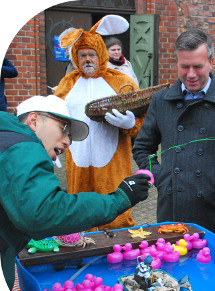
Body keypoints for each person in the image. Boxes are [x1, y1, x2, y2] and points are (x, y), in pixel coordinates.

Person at [0, 95, 150, 291]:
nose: (67, 142)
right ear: (34, 121)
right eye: (64, 129)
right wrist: (120, 198)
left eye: (69, 135)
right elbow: (42, 213)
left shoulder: (8, 140)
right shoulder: (23, 146)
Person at [132, 28, 215, 244]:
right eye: (184, 66)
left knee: (210, 273)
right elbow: (142, 148)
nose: (191, 74)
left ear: (211, 62)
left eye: (198, 66)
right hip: (171, 212)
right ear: (177, 63)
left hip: (214, 213)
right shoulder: (161, 101)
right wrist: (162, 175)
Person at [54, 15, 145, 231]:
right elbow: (53, 116)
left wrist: (130, 123)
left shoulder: (121, 81)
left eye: (92, 55)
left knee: (116, 206)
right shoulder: (68, 82)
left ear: (100, 55)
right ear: (76, 57)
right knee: (80, 208)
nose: (87, 60)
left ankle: (118, 239)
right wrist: (50, 147)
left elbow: (144, 118)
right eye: (82, 55)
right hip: (78, 157)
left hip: (112, 159)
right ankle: (80, 240)